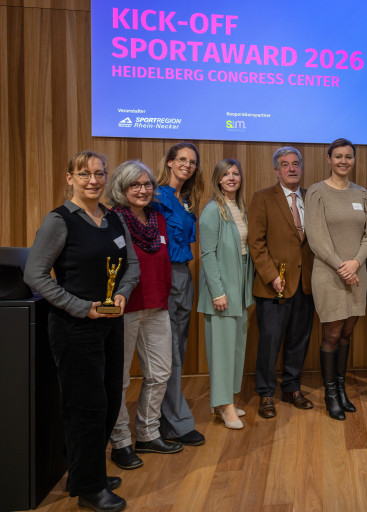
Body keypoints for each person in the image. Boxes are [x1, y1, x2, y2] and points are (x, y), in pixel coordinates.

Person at [24, 151, 139, 512]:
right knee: (85, 408)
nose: (93, 180)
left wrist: (121, 293)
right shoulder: (59, 221)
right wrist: (81, 307)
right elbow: (35, 275)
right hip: (74, 329)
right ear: (69, 178)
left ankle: (86, 471)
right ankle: (89, 489)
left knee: (107, 402)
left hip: (110, 324)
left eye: (99, 173)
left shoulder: (114, 219)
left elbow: (132, 266)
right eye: (84, 174)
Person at [105, 161, 183, 470]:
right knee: (120, 379)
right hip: (124, 310)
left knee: (160, 372)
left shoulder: (157, 218)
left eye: (147, 183)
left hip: (156, 306)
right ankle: (120, 441)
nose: (143, 189)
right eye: (134, 185)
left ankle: (148, 434)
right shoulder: (112, 220)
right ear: (122, 189)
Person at [305, 138, 367, 420]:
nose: (343, 161)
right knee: (332, 334)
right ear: (329, 159)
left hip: (358, 274)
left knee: (347, 332)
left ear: (353, 160)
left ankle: (342, 389)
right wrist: (341, 267)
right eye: (338, 157)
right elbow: (316, 238)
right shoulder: (317, 192)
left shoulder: (361, 194)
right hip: (329, 274)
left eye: (348, 157)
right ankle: (330, 393)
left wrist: (355, 263)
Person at [248, 147, 315, 419]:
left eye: (295, 164)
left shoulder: (312, 197)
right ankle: (265, 393)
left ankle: (291, 388)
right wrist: (271, 275)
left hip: (306, 284)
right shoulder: (263, 198)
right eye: (285, 165)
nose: (291, 169)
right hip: (273, 284)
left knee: (299, 340)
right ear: (276, 170)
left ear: (301, 167)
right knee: (270, 342)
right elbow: (256, 242)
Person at [155, 142, 207, 446]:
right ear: (171, 163)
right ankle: (176, 422)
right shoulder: (155, 195)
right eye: (182, 160)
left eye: (192, 162)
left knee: (179, 349)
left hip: (183, 275)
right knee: (169, 351)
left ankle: (164, 415)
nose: (187, 165)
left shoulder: (186, 199)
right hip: (164, 276)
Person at [198, 159, 255, 429]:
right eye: (225, 174)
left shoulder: (239, 208)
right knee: (221, 352)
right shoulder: (212, 211)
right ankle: (224, 405)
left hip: (240, 287)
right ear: (218, 180)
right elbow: (207, 254)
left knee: (235, 349)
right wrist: (217, 292)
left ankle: (226, 400)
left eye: (235, 174)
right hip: (221, 291)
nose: (231, 178)